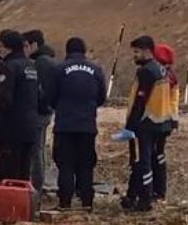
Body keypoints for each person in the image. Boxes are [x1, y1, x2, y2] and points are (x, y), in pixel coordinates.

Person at [49, 37, 107, 210]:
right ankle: (87, 202)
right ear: (84, 51)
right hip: (87, 125)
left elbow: (51, 96)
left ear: (67, 51)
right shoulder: (96, 70)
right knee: (86, 164)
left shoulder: (59, 69)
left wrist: (61, 107)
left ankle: (65, 202)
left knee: (65, 164)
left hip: (65, 125)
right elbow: (101, 97)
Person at [120, 35, 175, 212]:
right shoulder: (162, 70)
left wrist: (129, 126)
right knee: (150, 159)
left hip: (145, 124)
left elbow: (140, 101)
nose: (134, 56)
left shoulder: (146, 72)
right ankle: (143, 194)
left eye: (136, 52)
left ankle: (144, 198)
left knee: (142, 161)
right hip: (160, 122)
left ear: (146, 51)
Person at [0, 29, 41, 181]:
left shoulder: (9, 67)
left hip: (12, 128)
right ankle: (22, 202)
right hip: (31, 126)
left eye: (0, 45)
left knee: (9, 171)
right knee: (24, 170)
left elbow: (4, 98)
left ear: (9, 47)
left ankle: (10, 203)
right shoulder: (31, 66)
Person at [22, 29, 56, 198]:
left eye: (27, 46)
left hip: (39, 113)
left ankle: (36, 186)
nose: (25, 50)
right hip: (45, 112)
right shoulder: (48, 60)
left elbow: (40, 90)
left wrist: (36, 107)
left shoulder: (40, 63)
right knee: (38, 150)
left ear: (35, 45)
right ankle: (36, 185)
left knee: (36, 151)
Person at [151, 43, 180, 203]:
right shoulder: (172, 76)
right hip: (167, 121)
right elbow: (175, 102)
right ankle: (160, 192)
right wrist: (174, 121)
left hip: (154, 121)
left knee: (151, 157)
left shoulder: (158, 76)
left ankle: (154, 191)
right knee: (160, 156)